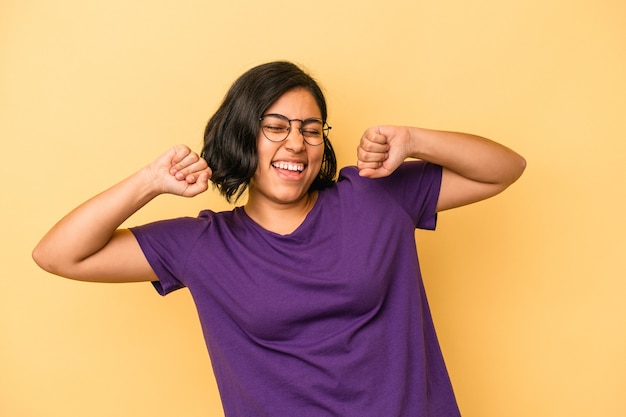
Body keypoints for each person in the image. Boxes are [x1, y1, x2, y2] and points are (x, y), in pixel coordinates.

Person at [32, 61, 526, 417]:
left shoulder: (374, 196)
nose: (296, 142)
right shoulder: (204, 245)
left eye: (311, 130)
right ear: (242, 137)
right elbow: (57, 255)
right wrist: (147, 182)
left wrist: (415, 140)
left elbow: (503, 170)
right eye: (275, 127)